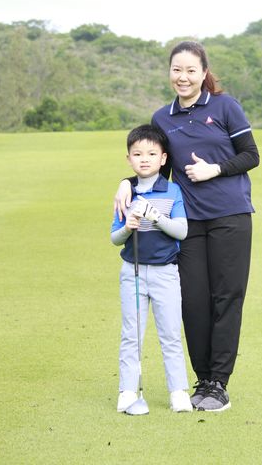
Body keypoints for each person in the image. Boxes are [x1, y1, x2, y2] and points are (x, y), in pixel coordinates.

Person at [114, 41, 260, 412]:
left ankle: (218, 384)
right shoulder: (163, 118)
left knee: (226, 298)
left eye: (191, 70)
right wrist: (124, 184)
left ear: (203, 73)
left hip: (230, 217)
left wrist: (215, 169)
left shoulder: (226, 107)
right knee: (193, 301)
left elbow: (251, 156)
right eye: (176, 70)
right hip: (188, 222)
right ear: (170, 73)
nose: (183, 77)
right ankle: (202, 380)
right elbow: (153, 167)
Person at [111, 124, 193, 413]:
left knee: (170, 332)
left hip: (165, 273)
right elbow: (114, 237)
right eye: (137, 154)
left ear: (163, 158)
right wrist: (128, 226)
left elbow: (181, 231)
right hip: (132, 272)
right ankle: (128, 392)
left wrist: (155, 216)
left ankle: (178, 391)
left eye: (151, 153)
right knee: (131, 334)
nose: (144, 159)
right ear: (129, 159)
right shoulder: (125, 193)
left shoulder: (173, 191)